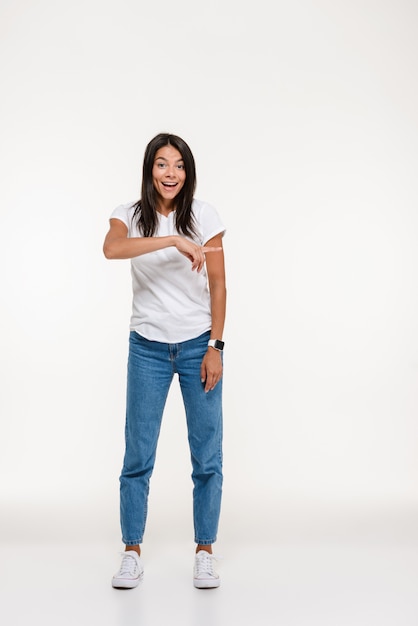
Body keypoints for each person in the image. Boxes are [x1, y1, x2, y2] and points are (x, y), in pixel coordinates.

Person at [103, 133, 226, 589]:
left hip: (197, 345)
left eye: (178, 165)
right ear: (149, 170)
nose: (170, 173)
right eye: (161, 164)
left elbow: (218, 285)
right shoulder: (129, 216)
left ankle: (205, 550)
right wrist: (172, 239)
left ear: (187, 171)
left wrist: (216, 346)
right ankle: (131, 549)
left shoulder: (206, 215)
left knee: (207, 454)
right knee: (138, 453)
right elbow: (112, 250)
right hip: (148, 348)